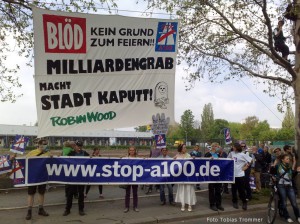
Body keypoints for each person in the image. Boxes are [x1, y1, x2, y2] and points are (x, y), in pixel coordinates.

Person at [25, 139, 50, 220]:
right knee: (31, 193)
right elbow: (25, 161)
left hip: (42, 176)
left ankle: (41, 209)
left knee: (41, 193)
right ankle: (29, 211)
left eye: (46, 144)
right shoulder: (32, 152)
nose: (45, 145)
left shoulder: (47, 153)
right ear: (39, 145)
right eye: (44, 144)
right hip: (33, 176)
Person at [63, 140, 89, 216]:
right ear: (75, 146)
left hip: (81, 177)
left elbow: (92, 160)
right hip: (73, 177)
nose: (79, 148)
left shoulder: (85, 153)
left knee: (81, 194)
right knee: (70, 194)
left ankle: (81, 209)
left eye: (80, 146)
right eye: (78, 146)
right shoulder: (71, 154)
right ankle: (67, 209)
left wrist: (91, 157)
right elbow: (64, 161)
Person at [274, 153, 300, 223]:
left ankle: (298, 216)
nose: (289, 160)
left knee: (294, 203)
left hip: (289, 186)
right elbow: (272, 173)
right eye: (287, 159)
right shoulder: (278, 166)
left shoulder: (289, 166)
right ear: (282, 160)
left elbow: (291, 177)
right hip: (281, 186)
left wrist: (297, 172)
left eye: (289, 159)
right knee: (284, 203)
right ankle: (287, 216)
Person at [228, 142, 252, 210]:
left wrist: (246, 166)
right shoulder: (231, 153)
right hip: (233, 175)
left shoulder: (243, 155)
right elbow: (227, 160)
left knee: (241, 190)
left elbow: (251, 160)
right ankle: (235, 202)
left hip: (240, 175)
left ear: (237, 147)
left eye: (234, 147)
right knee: (234, 190)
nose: (233, 148)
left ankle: (244, 202)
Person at [174, 143, 197, 212]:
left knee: (189, 189)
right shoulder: (177, 156)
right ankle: (183, 204)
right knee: (182, 190)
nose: (185, 149)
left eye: (185, 147)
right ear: (180, 148)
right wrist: (173, 159)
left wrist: (193, 158)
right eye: (184, 147)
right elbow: (171, 164)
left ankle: (190, 204)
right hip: (181, 176)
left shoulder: (188, 155)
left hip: (188, 176)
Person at [205, 142, 224, 211]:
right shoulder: (208, 154)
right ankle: (212, 204)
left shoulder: (218, 154)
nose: (217, 147)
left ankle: (218, 204)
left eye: (218, 146)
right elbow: (204, 162)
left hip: (218, 175)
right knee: (212, 190)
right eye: (216, 146)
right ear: (213, 147)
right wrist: (209, 159)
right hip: (211, 175)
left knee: (218, 190)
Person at [124, 146, 139, 213]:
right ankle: (127, 207)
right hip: (128, 178)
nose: (132, 151)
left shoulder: (138, 159)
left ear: (135, 151)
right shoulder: (125, 158)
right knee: (127, 193)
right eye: (131, 150)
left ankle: (135, 206)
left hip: (135, 178)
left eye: (133, 150)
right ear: (129, 151)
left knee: (135, 193)